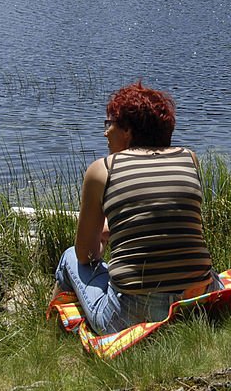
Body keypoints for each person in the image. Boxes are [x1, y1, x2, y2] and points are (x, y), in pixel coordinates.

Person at [54, 81, 221, 334]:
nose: (105, 133)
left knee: (68, 258)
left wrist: (103, 240)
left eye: (109, 124)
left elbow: (85, 255)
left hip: (132, 316)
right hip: (199, 304)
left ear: (128, 131)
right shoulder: (189, 158)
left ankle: (53, 330)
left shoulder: (102, 170)